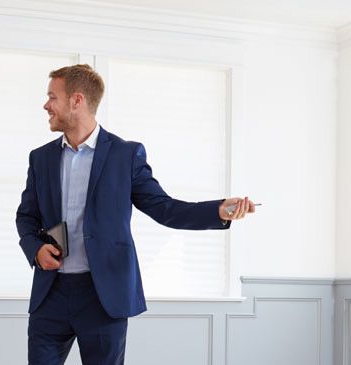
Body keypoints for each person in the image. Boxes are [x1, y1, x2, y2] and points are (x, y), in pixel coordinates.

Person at [15, 64, 255, 365]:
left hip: (102, 296)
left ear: (77, 100)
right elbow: (26, 217)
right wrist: (35, 249)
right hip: (50, 294)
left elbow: (164, 208)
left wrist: (216, 211)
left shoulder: (124, 155)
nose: (46, 105)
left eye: (53, 97)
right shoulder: (41, 158)